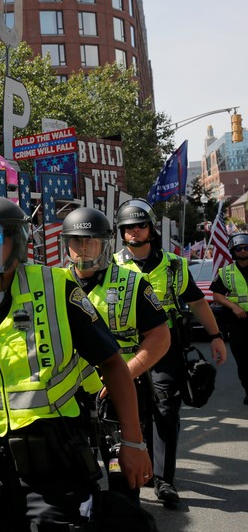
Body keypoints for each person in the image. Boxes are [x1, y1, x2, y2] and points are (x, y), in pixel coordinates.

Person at [0, 196, 151, 531]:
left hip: (56, 467)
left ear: (17, 241)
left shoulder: (57, 288)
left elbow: (112, 364)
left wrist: (133, 441)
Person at [113, 198, 227, 508]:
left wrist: (216, 336)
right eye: (128, 227)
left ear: (151, 229)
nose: (135, 231)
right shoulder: (110, 266)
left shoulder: (174, 265)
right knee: (131, 412)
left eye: (141, 225)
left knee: (165, 410)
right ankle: (136, 472)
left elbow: (198, 302)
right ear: (121, 232)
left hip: (167, 349)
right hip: (125, 352)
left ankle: (164, 480)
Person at [61, 207, 170, 503]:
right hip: (72, 398)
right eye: (77, 241)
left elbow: (160, 338)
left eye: (91, 242)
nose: (83, 249)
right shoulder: (53, 286)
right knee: (73, 480)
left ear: (105, 243)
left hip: (119, 396)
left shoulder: (133, 283)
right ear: (66, 244)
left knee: (121, 478)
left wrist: (126, 373)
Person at [211, 231, 248, 404]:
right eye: (239, 248)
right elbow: (217, 295)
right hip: (238, 323)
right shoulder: (226, 272)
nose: (242, 251)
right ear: (233, 250)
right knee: (243, 361)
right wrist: (234, 307)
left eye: (246, 247)